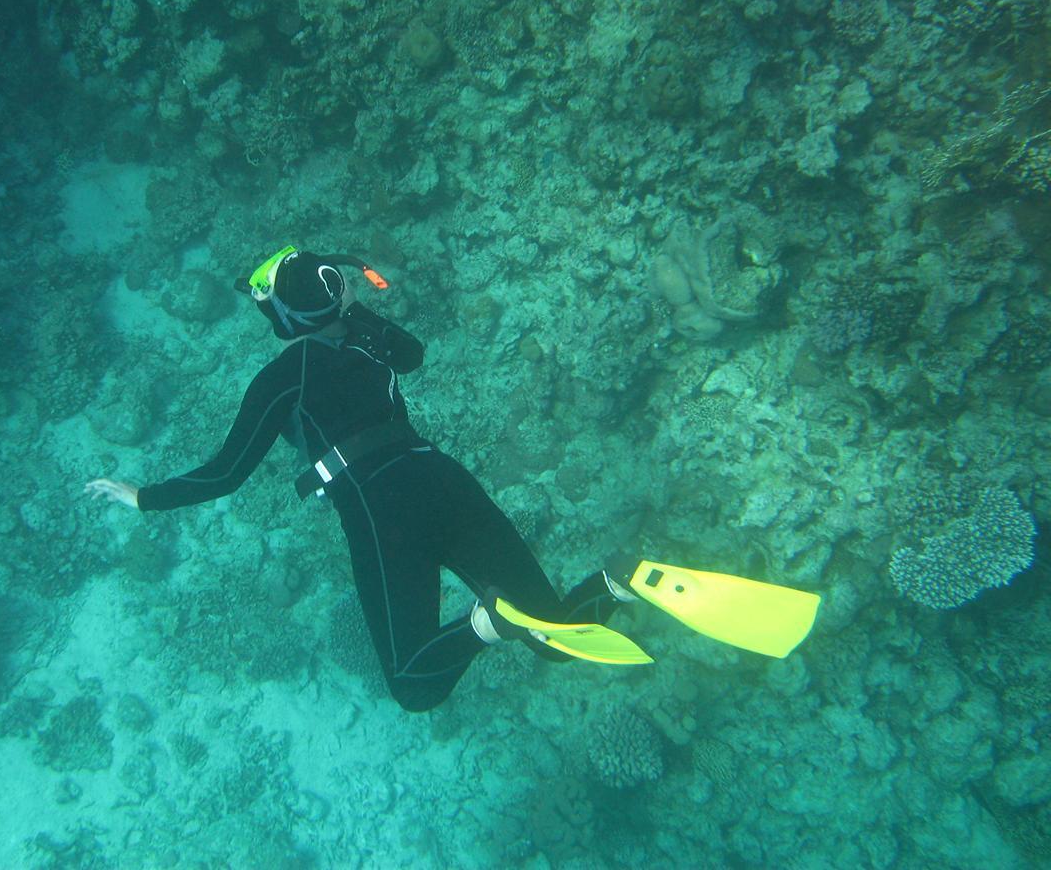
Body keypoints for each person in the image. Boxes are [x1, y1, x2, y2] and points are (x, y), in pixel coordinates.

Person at [88, 246, 820, 712]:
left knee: (413, 685)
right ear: (337, 298)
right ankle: (621, 581)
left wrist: (145, 497)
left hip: (382, 511)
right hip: (441, 478)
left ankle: (487, 623)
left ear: (282, 321)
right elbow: (414, 353)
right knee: (556, 634)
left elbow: (224, 475)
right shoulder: (374, 344)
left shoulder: (282, 378)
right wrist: (355, 309)